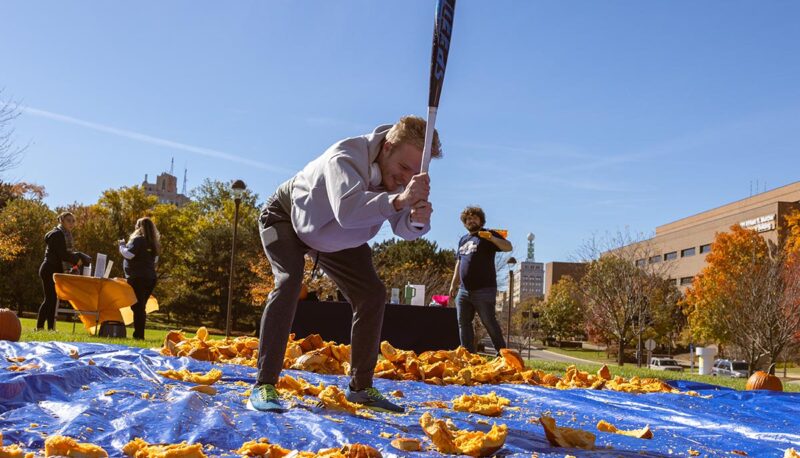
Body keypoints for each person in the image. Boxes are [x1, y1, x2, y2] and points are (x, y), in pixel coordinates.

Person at [250, 115, 439, 413]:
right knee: (289, 282)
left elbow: (402, 226)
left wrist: (417, 220)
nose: (406, 178)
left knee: (372, 293)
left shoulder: (398, 176)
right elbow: (348, 212)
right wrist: (400, 201)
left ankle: (361, 388)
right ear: (387, 146)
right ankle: (264, 384)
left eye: (414, 172)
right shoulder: (346, 156)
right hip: (286, 217)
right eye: (404, 168)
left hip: (333, 237)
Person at [448, 206, 512, 354]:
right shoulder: (463, 240)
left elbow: (508, 247)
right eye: (468, 219)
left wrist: (491, 238)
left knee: (489, 322)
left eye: (475, 218)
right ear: (465, 222)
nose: (471, 220)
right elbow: (459, 262)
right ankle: (468, 355)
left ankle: (503, 354)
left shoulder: (488, 234)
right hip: (463, 291)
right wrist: (453, 284)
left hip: (484, 289)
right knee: (463, 323)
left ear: (481, 220)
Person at [37, 212, 91, 330]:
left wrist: (78, 257)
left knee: (53, 299)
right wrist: (77, 259)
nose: (71, 223)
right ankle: (39, 327)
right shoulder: (57, 234)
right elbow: (62, 255)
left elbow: (65, 253)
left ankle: (50, 328)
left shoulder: (66, 234)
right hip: (48, 269)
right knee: (49, 299)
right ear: (61, 221)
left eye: (73, 221)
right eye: (68, 220)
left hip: (55, 270)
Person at [118, 217, 160, 340]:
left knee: (138, 307)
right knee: (140, 307)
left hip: (138, 277)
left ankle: (139, 335)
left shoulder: (138, 240)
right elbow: (155, 261)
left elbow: (128, 254)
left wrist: (121, 245)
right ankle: (139, 334)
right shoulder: (154, 243)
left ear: (139, 227)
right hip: (150, 278)